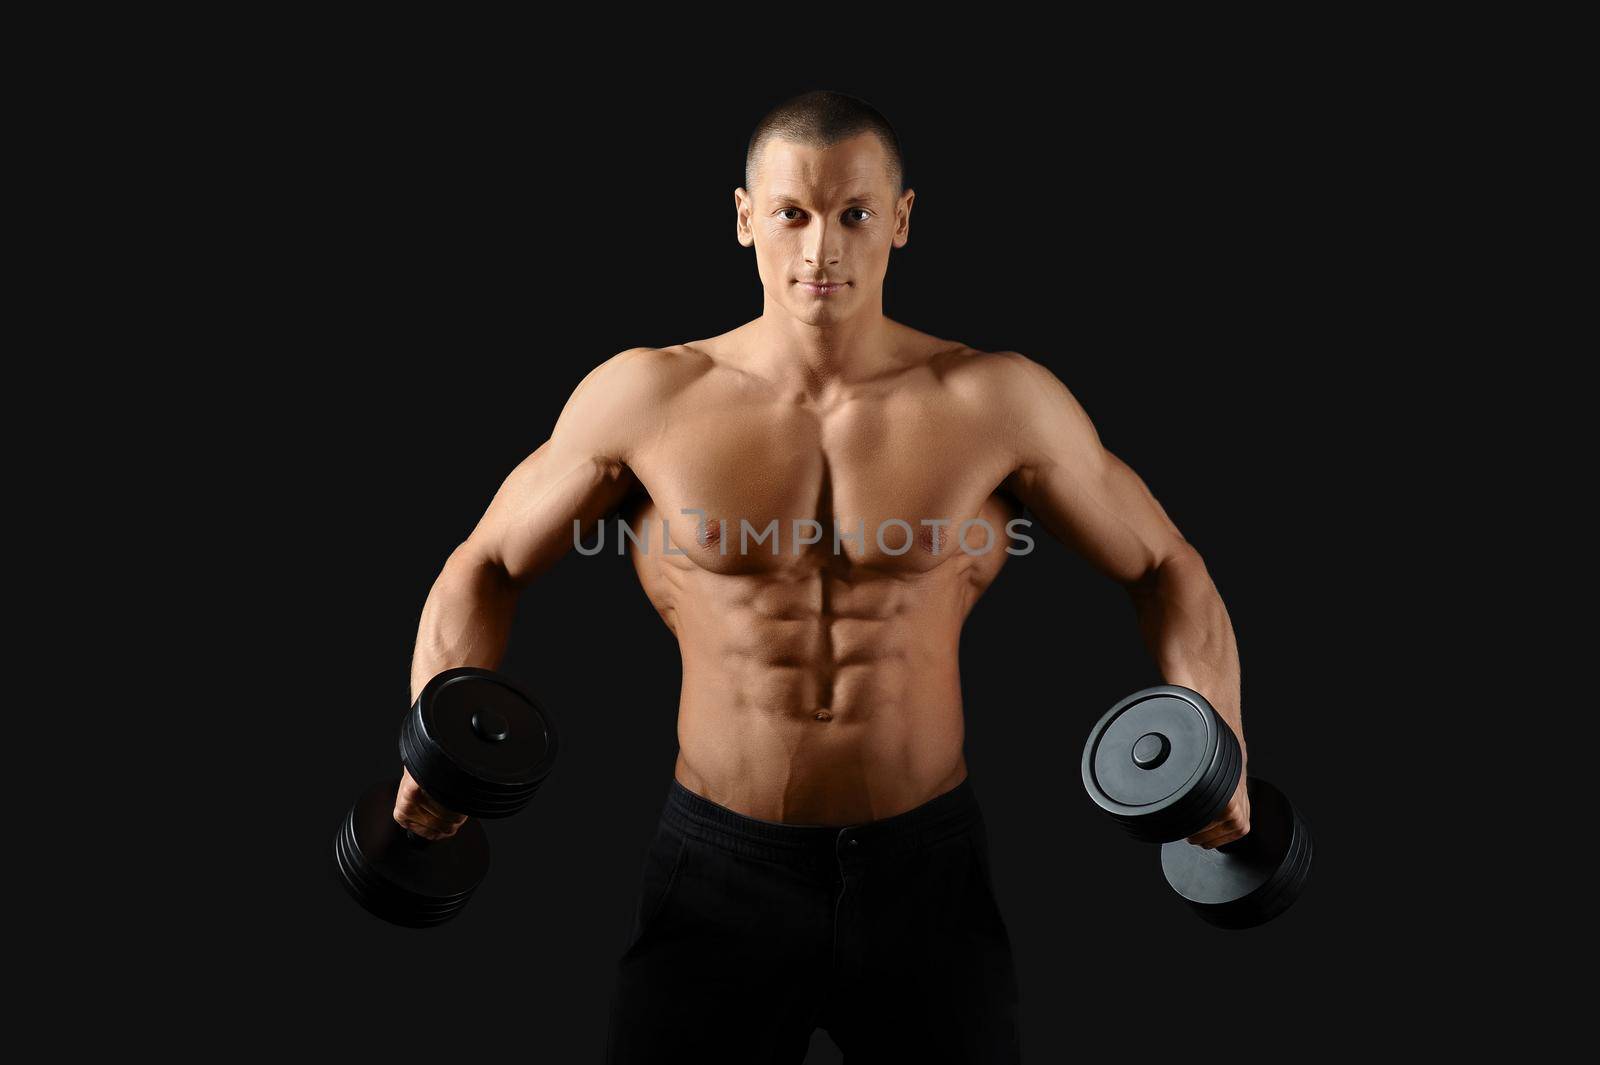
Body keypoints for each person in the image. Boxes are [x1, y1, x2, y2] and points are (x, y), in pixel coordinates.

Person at [392, 89, 1250, 1064]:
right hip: (717, 869)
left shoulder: (995, 401)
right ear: (744, 217)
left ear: (900, 219)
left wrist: (1217, 750)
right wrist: (432, 759)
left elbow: (1163, 564)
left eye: (852, 213)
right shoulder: (648, 396)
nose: (820, 249)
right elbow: (487, 565)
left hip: (927, 872)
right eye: (792, 213)